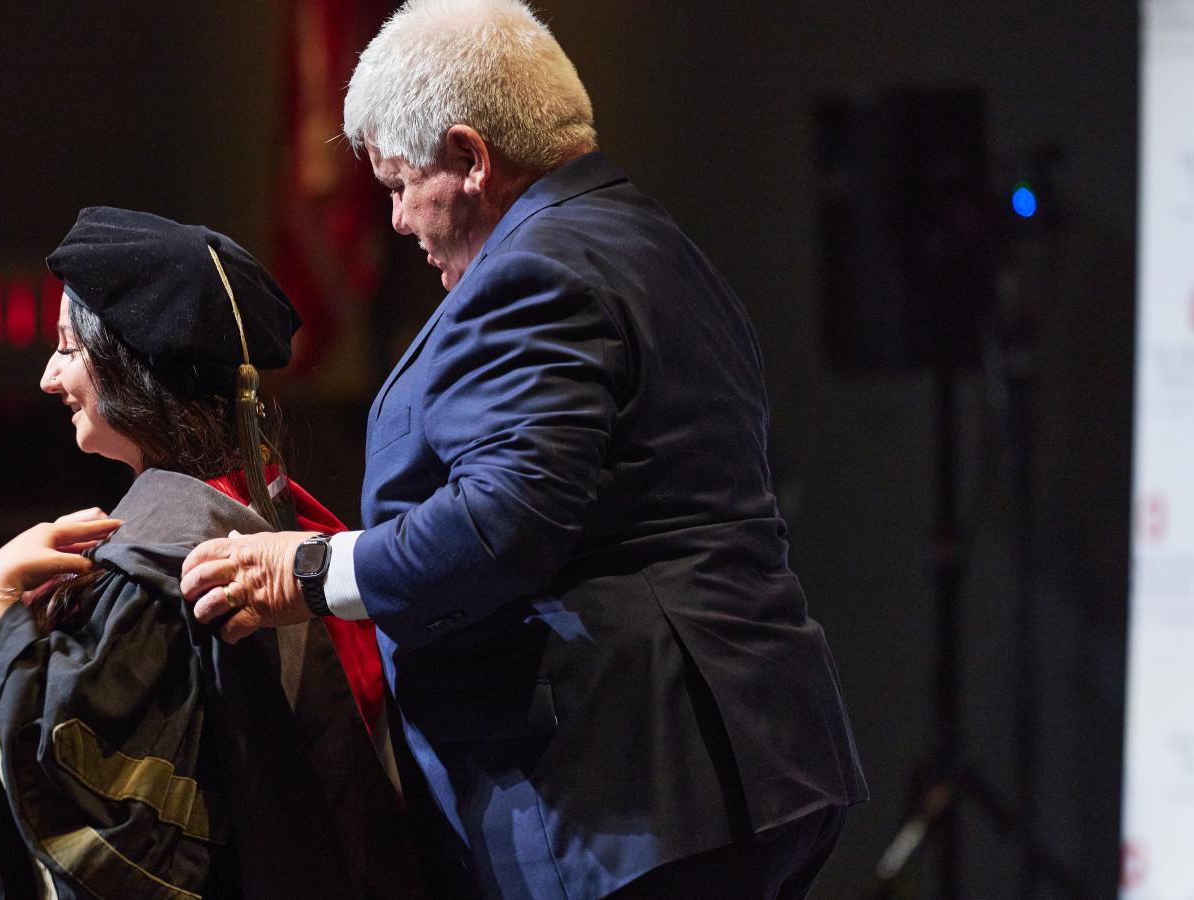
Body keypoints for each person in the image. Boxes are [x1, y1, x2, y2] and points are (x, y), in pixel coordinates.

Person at [179, 1, 869, 897]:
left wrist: (306, 574)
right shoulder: (649, 244)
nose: (393, 221)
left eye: (398, 185)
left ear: (470, 158)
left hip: (628, 792)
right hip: (731, 765)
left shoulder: (534, 272)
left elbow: (505, 519)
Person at [0, 208, 422, 899]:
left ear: (133, 363)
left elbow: (63, 817)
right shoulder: (282, 527)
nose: (48, 379)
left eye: (68, 348)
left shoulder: (162, 570)